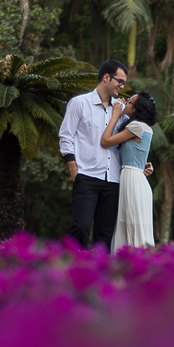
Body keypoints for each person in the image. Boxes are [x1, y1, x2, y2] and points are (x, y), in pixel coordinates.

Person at [58, 60, 129, 248]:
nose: (122, 87)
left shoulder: (121, 111)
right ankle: (73, 269)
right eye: (119, 81)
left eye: (124, 83)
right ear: (106, 77)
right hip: (86, 176)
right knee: (81, 227)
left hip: (113, 180)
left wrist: (141, 163)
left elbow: (131, 139)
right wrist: (73, 168)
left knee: (105, 235)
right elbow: (66, 137)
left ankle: (99, 274)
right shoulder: (79, 103)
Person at [101, 92, 157, 253]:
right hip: (137, 178)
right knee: (135, 223)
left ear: (137, 109)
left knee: (130, 222)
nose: (126, 103)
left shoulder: (136, 126)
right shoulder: (146, 128)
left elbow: (105, 142)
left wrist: (114, 116)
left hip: (132, 179)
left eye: (130, 102)